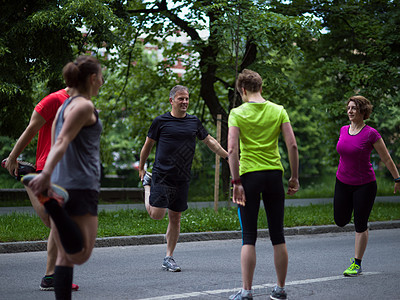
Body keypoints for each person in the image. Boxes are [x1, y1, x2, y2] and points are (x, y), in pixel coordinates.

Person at [26, 55, 103, 300]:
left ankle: (54, 204)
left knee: (64, 258)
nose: (102, 81)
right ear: (92, 78)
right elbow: (61, 142)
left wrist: (50, 177)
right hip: (80, 186)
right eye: (101, 77)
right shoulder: (84, 106)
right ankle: (53, 206)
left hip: (63, 184)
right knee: (81, 253)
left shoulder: (64, 107)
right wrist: (45, 174)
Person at [138, 85, 229, 272]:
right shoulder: (160, 122)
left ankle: (168, 257)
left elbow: (210, 141)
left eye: (187, 98)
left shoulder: (194, 122)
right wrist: (141, 168)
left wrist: (228, 156)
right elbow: (147, 146)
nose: (185, 102)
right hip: (162, 175)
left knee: (175, 217)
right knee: (157, 215)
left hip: (182, 178)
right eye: (181, 99)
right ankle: (147, 186)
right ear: (172, 101)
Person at [227, 69, 299, 300]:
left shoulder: (237, 113)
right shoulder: (278, 110)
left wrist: (236, 181)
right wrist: (294, 177)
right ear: (261, 87)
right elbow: (292, 146)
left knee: (249, 236)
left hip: (249, 176)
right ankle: (280, 289)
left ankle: (246, 291)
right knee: (278, 234)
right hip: (274, 175)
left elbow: (231, 150)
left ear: (243, 90)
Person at [3, 88, 80, 291]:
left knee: (54, 222)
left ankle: (51, 277)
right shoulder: (54, 100)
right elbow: (31, 129)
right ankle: (51, 277)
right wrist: (12, 157)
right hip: (51, 166)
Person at [334, 95, 400, 277]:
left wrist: (397, 179)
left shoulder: (371, 133)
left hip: (365, 185)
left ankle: (357, 263)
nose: (350, 111)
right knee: (340, 220)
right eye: (348, 108)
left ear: (363, 111)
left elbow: (386, 158)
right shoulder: (343, 130)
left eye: (353, 108)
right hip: (342, 181)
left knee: (360, 223)